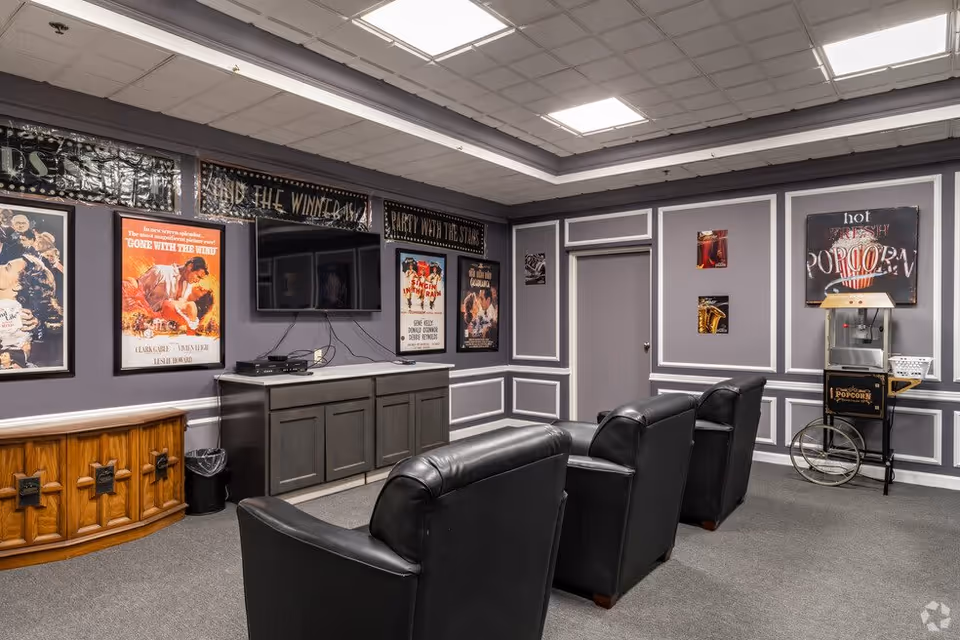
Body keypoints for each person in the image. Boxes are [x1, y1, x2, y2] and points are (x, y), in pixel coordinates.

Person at [134, 256, 208, 313]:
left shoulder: (189, 285)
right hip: (143, 317)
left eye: (200, 278)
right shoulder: (160, 271)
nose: (198, 281)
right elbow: (137, 292)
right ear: (190, 266)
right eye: (198, 276)